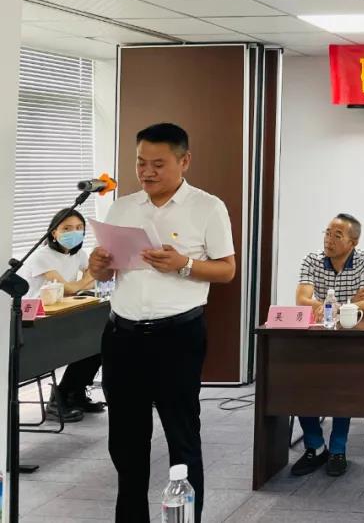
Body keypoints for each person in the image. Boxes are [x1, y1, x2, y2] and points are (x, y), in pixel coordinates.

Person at [88, 123, 236, 523]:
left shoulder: (207, 207)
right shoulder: (122, 207)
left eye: (158, 164)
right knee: (125, 442)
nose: (147, 172)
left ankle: (186, 518)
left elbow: (226, 270)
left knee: (181, 436)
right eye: (141, 163)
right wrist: (98, 266)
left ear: (184, 161)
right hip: (122, 336)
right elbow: (106, 274)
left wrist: (183, 264)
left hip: (177, 337)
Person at [289, 213, 364, 478]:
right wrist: (340, 304)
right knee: (296, 380)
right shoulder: (312, 259)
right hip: (317, 338)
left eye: (337, 235)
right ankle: (315, 445)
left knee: (344, 383)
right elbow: (302, 299)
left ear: (353, 242)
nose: (328, 240)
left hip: (352, 339)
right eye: (327, 233)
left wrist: (335, 307)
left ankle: (338, 448)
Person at [24, 207, 104, 423]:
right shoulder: (42, 256)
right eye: (67, 228)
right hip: (34, 320)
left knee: (96, 344)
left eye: (79, 228)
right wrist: (83, 282)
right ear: (54, 232)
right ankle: (56, 401)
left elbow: (92, 280)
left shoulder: (79, 254)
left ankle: (74, 394)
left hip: (61, 313)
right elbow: (68, 289)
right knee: (77, 345)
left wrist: (82, 283)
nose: (74, 232)